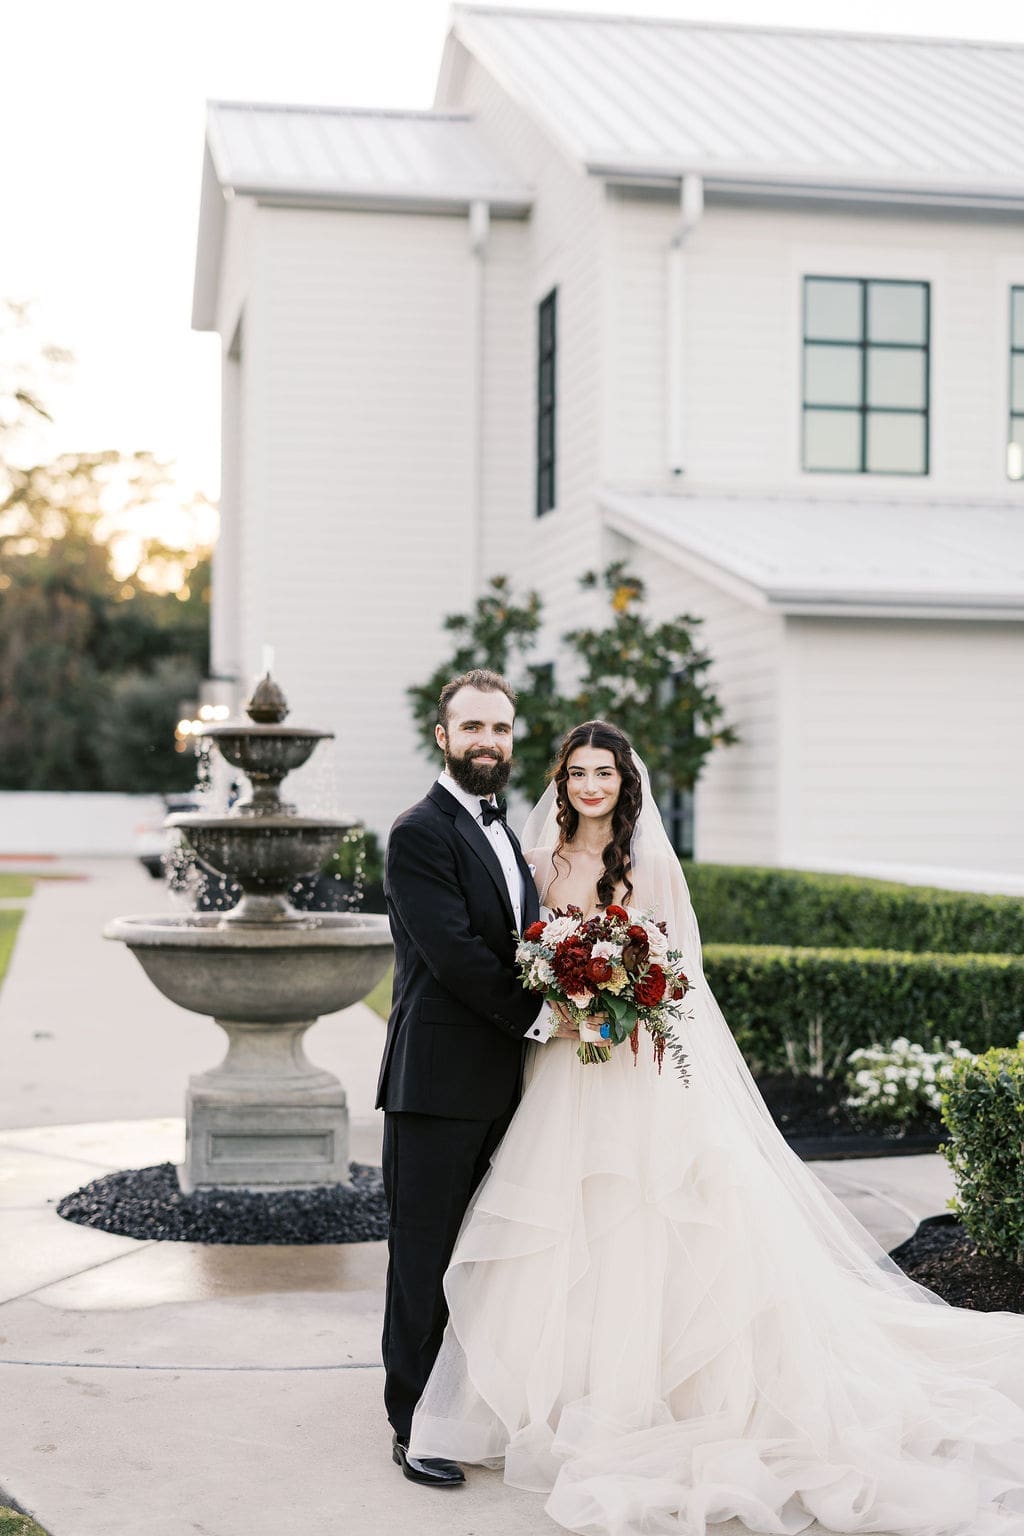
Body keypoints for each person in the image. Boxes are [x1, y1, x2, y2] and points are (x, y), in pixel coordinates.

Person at [408, 719, 1024, 1535]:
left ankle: (658, 1396)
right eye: (578, 773)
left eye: (605, 773)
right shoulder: (541, 863)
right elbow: (525, 953)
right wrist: (566, 997)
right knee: (565, 1227)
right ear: (560, 781)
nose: (591, 786)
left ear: (626, 784)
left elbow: (677, 971)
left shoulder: (650, 863)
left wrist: (624, 999)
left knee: (651, 1220)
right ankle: (559, 1398)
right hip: (561, 1067)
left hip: (639, 1069)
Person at [377, 668, 575, 1487]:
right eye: (473, 728)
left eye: (500, 728)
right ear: (443, 736)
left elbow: (522, 939)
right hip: (436, 1084)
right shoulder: (419, 832)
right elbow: (453, 952)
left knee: (481, 1258)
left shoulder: (505, 832)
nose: (489, 742)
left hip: (504, 1083)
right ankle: (412, 1425)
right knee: (423, 1258)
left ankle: (466, 1406)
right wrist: (539, 1017)